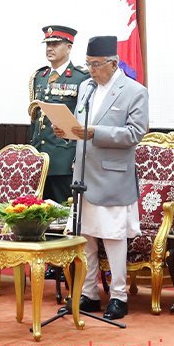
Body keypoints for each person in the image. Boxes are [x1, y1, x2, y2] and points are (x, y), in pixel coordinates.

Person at [54, 35, 148, 320]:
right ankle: (88, 293)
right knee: (86, 238)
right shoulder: (86, 88)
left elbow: (135, 133)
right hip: (83, 175)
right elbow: (81, 126)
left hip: (113, 177)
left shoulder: (134, 91)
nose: (92, 70)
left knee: (114, 237)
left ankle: (118, 296)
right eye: (88, 64)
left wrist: (96, 132)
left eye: (96, 65)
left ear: (113, 63)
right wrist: (67, 130)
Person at [29, 25, 89, 282]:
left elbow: (82, 120)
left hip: (65, 155)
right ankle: (51, 261)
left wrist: (77, 154)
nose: (50, 48)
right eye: (47, 44)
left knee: (66, 213)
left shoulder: (80, 78)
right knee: (45, 213)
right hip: (41, 156)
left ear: (69, 47)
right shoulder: (39, 77)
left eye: (55, 44)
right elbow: (35, 119)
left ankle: (68, 264)